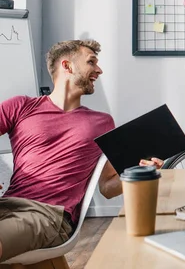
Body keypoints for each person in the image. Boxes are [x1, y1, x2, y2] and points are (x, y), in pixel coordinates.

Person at [0, 39, 162, 263]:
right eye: (91, 62)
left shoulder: (101, 122)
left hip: (49, 215)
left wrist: (142, 174)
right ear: (67, 66)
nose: (99, 70)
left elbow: (107, 187)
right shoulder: (20, 107)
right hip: (7, 204)